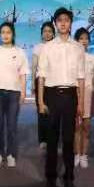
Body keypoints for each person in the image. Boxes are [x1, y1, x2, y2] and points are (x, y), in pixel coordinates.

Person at [37, 7, 85, 187]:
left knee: (68, 139)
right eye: (60, 20)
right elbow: (41, 76)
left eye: (66, 20)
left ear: (71, 23)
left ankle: (69, 177)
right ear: (55, 23)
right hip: (52, 94)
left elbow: (81, 77)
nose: (63, 23)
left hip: (71, 95)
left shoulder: (78, 47)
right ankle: (50, 177)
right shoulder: (47, 47)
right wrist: (41, 102)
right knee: (52, 138)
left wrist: (81, 103)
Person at [0, 22, 29, 169]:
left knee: (11, 125)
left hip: (13, 93)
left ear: (13, 34)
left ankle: (11, 154)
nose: (5, 35)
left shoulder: (20, 52)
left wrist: (23, 92)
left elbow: (23, 74)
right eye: (3, 32)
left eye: (8, 32)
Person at [73, 27, 94, 169]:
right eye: (81, 38)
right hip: (75, 94)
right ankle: (77, 154)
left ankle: (84, 155)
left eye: (86, 38)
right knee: (76, 127)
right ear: (76, 41)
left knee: (86, 127)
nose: (84, 41)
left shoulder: (93, 58)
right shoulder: (72, 59)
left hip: (89, 94)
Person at [32, 21, 55, 151]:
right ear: (41, 33)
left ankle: (52, 137)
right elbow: (34, 66)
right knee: (41, 111)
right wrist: (32, 83)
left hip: (53, 83)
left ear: (53, 33)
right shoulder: (38, 47)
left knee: (52, 111)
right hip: (40, 81)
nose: (47, 33)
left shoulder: (56, 47)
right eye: (45, 31)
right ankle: (42, 139)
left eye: (50, 31)